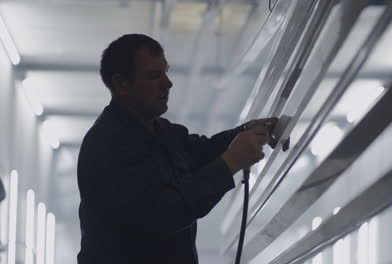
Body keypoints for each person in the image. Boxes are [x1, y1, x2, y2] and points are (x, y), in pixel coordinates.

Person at [77, 33, 278, 264]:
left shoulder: (162, 131)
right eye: (154, 76)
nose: (167, 83)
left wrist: (245, 131)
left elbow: (202, 151)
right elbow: (162, 214)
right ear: (122, 84)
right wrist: (230, 162)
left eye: (166, 71)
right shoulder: (105, 146)